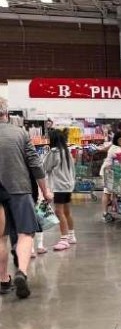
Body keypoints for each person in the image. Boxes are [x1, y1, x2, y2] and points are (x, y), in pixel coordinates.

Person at [0, 97, 53, 299]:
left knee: (1, 237)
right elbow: (35, 164)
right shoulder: (20, 133)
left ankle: (3, 280)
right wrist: (45, 191)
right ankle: (21, 272)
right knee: (25, 233)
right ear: (6, 114)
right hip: (19, 190)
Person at [43, 128, 77, 251]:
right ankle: (71, 236)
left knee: (59, 212)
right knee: (67, 212)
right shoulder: (66, 151)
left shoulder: (54, 152)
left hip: (59, 186)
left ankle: (64, 239)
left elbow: (45, 167)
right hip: (68, 186)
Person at [100, 131, 121, 218]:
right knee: (107, 192)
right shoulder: (115, 148)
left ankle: (114, 208)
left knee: (115, 191)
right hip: (107, 172)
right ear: (116, 139)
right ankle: (105, 213)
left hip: (115, 172)